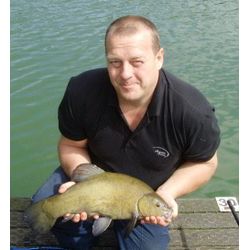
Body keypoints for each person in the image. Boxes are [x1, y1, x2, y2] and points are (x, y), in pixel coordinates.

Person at [32, 15, 220, 250]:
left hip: (146, 194)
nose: (125, 74)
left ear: (159, 58)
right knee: (48, 208)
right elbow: (71, 145)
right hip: (93, 178)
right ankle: (82, 240)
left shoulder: (192, 111)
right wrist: (79, 182)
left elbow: (205, 163)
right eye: (115, 62)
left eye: (137, 61)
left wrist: (166, 194)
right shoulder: (81, 91)